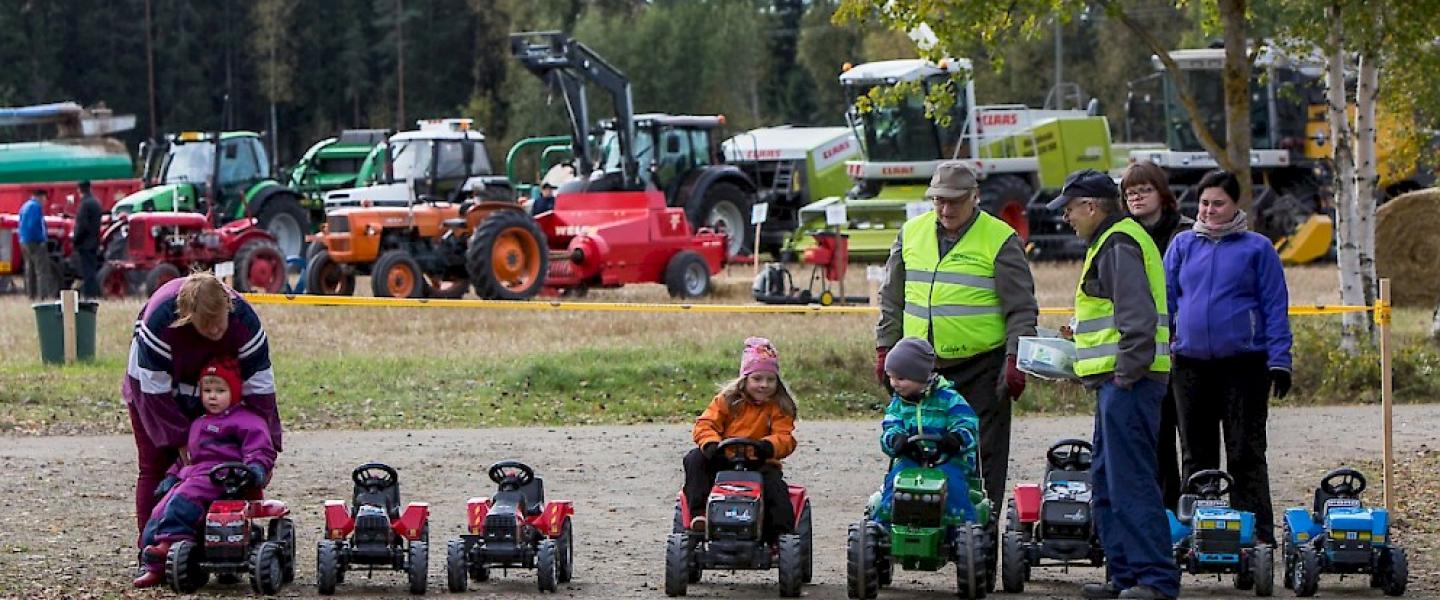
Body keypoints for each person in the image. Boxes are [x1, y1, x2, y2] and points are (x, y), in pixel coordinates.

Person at [876, 161, 1038, 565]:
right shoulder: (910, 234)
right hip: (921, 369)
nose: (945, 210)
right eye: (938, 201)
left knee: (981, 454)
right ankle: (914, 529)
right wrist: (885, 348)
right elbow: (892, 298)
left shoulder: (1000, 239)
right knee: (910, 446)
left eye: (954, 202)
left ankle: (980, 550)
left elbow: (1021, 308)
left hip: (981, 366)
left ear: (974, 198)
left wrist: (1015, 359)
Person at [1048, 169, 1179, 600]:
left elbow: (1138, 321)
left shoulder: (1118, 243)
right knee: (1108, 481)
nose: (1065, 218)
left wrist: (1125, 375)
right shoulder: (1114, 241)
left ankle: (1155, 581)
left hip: (1130, 383)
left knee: (1132, 481)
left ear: (1091, 207)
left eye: (1069, 209)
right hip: (1118, 381)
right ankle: (1124, 577)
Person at [1165, 169, 1291, 548]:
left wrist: (1280, 360)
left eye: (1218, 203)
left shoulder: (1258, 249)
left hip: (1244, 365)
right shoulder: (1182, 245)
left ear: (1236, 204)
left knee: (1245, 452)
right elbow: (1167, 302)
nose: (1209, 211)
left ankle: (1256, 539)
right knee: (1196, 454)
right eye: (1204, 203)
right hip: (1189, 365)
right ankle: (1197, 536)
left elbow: (1274, 306)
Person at [122, 272, 282, 549]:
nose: (215, 332)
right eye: (205, 327)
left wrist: (265, 447)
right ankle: (151, 549)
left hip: (217, 389)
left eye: (219, 324)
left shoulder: (244, 320)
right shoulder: (160, 321)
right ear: (186, 316)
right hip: (155, 393)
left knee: (226, 464)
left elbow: (260, 390)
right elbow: (152, 391)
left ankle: (223, 543)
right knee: (156, 467)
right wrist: (180, 440)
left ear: (227, 307)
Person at [132, 356, 277, 588]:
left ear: (235, 391)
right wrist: (171, 476)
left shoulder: (248, 421)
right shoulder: (198, 423)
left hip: (226, 478)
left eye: (220, 390)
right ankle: (154, 562)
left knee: (184, 497)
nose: (212, 395)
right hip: (194, 476)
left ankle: (170, 544)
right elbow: (189, 457)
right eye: (207, 389)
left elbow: (260, 450)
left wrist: (256, 469)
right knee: (159, 509)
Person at [1121, 161, 1193, 511]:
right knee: (1157, 435)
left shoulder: (1188, 234)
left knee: (1192, 438)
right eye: (1130, 193)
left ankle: (1196, 508)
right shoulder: (1121, 237)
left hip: (1187, 346)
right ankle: (1163, 511)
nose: (1136, 198)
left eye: (1144, 190)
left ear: (1162, 194)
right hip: (1144, 350)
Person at [684, 337, 797, 543]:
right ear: (745, 379)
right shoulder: (727, 401)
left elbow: (785, 437)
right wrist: (710, 444)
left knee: (775, 488)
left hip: (759, 462)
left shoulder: (780, 407)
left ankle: (780, 537)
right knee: (694, 459)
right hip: (723, 459)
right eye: (758, 379)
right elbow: (705, 424)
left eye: (770, 380)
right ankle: (699, 514)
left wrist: (768, 446)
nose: (764, 385)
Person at [874, 337, 982, 524]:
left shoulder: (949, 399)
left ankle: (965, 528)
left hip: (948, 460)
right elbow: (890, 427)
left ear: (920, 376)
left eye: (900, 378)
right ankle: (882, 527)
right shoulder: (898, 404)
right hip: (911, 459)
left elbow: (968, 424)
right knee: (893, 484)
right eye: (890, 377)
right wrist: (895, 440)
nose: (894, 383)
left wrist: (956, 438)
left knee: (954, 488)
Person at [18, 189, 56, 299]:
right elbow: (35, 225)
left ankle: (31, 295)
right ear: (40, 197)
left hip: (24, 241)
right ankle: (43, 296)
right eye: (45, 199)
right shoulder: (36, 207)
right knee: (42, 270)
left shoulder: (24, 206)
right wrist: (42, 239)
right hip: (35, 242)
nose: (45, 202)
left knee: (29, 269)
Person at [73, 180, 104, 298]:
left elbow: (82, 225)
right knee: (92, 268)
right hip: (94, 241)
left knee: (87, 271)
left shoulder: (84, 204)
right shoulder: (96, 202)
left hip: (85, 243)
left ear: (79, 190)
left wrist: (75, 240)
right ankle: (94, 293)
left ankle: (90, 294)